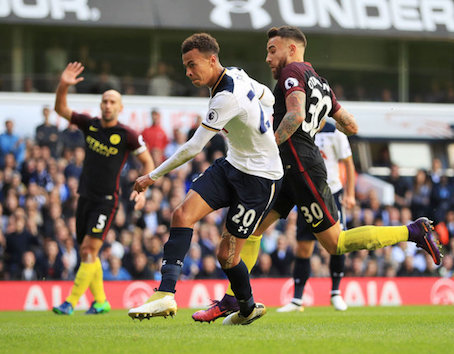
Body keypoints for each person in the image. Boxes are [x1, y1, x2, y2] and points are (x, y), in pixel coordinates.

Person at [191, 25, 442, 323]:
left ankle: (414, 231)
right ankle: (234, 300)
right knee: (253, 230)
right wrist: (318, 120)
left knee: (337, 243)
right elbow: (351, 125)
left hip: (300, 167)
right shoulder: (321, 83)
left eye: (273, 50)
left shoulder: (291, 72)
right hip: (286, 167)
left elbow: (295, 114)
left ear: (292, 49)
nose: (269, 58)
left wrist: (272, 141)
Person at [127, 33, 282, 326]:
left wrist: (152, 176)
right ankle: (165, 294)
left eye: (192, 64)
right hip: (233, 165)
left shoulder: (225, 96)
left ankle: (247, 308)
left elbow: (193, 147)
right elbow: (269, 97)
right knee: (181, 214)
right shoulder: (235, 74)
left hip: (259, 179)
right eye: (185, 65)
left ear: (212, 60)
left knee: (227, 256)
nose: (187, 72)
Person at [52, 62, 154, 315]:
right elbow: (60, 109)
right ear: (101, 106)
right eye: (105, 101)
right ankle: (100, 302)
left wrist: (143, 191)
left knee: (89, 249)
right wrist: (64, 84)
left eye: (112, 102)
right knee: (88, 252)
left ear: (120, 107)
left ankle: (70, 302)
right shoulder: (90, 125)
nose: (108, 105)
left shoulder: (128, 135)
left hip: (106, 201)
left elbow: (148, 162)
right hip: (84, 197)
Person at [276, 122, 355, 312]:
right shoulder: (299, 129)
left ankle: (336, 293)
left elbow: (349, 164)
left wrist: (350, 194)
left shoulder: (334, 132)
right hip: (306, 193)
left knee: (337, 244)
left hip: (331, 194)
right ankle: (296, 300)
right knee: (303, 247)